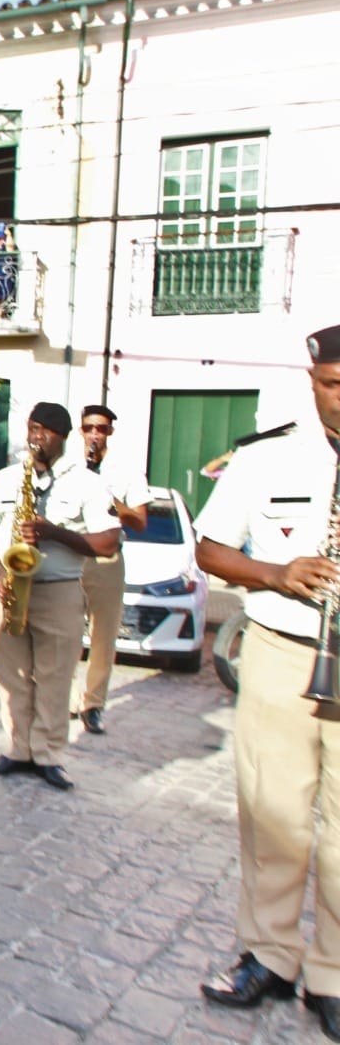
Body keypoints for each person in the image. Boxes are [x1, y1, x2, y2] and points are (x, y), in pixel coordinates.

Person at [194, 325, 340, 1043]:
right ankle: (270, 956)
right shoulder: (267, 457)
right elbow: (211, 548)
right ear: (313, 383)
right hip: (283, 652)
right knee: (274, 816)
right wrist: (276, 573)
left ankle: (332, 974)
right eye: (334, 385)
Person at [0, 402, 118, 792]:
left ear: (64, 437)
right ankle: (17, 748)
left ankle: (48, 755)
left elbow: (108, 542)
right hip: (7, 587)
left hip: (58, 590)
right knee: (11, 676)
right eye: (32, 429)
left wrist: (54, 532)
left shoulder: (87, 483)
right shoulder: (6, 478)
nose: (36, 438)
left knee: (56, 678)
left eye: (46, 431)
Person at [76, 404, 150, 734]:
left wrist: (117, 505)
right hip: (72, 554)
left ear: (110, 432)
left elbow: (141, 521)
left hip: (107, 559)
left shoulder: (127, 471)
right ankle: (63, 699)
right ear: (81, 430)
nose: (95, 434)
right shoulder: (69, 467)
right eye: (89, 427)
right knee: (62, 630)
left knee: (103, 636)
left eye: (102, 428)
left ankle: (92, 704)